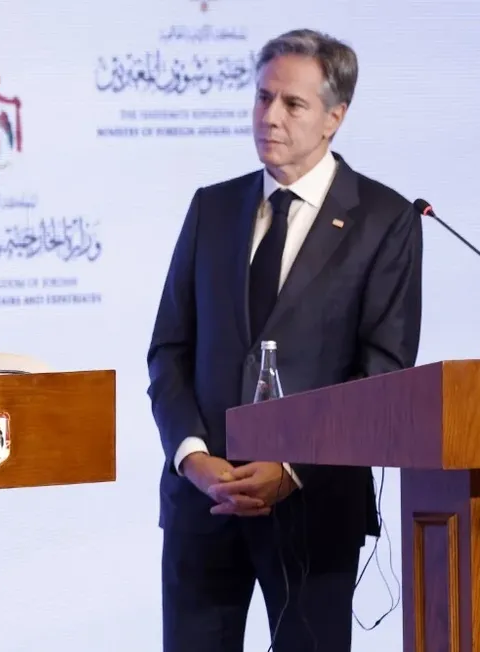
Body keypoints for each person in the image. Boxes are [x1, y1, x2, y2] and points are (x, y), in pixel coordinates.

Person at [146, 28, 421, 652]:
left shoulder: (385, 219)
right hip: (202, 506)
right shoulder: (211, 208)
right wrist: (192, 458)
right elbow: (169, 352)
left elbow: (381, 375)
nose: (269, 116)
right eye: (262, 98)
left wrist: (292, 470)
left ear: (334, 117)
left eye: (291, 104)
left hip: (314, 508)